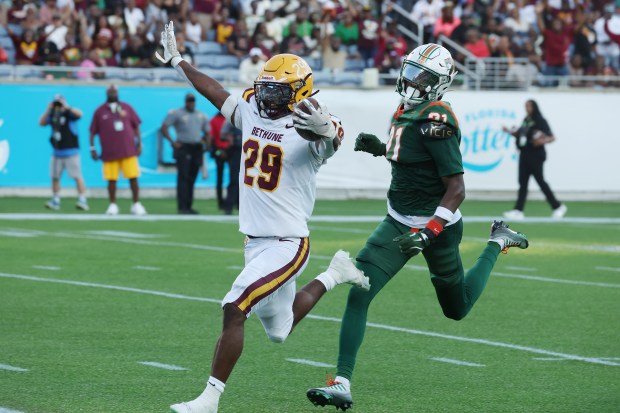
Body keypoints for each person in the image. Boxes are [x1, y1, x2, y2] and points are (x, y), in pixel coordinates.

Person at [155, 21, 370, 413]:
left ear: (299, 93)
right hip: (255, 242)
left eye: (278, 91)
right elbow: (215, 93)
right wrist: (178, 62)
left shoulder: (310, 124)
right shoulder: (253, 110)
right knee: (279, 331)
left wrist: (326, 130)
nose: (268, 97)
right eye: (266, 88)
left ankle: (209, 400)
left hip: (287, 243)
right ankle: (335, 274)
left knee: (234, 306)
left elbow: (330, 137)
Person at [306, 44, 530, 411]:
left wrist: (428, 233)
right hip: (397, 221)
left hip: (437, 225)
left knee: (456, 308)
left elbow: (456, 188)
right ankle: (342, 382)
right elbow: (413, 157)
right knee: (359, 292)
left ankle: (497, 242)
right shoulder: (407, 108)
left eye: (423, 76)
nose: (413, 81)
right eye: (411, 71)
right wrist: (383, 149)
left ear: (439, 84)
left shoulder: (437, 120)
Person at [502, 100, 567, 220]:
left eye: (529, 106)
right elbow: (522, 135)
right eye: (526, 106)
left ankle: (558, 206)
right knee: (523, 183)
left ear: (534, 107)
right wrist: (509, 132)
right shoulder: (526, 120)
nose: (527, 108)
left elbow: (551, 137)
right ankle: (518, 210)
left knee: (540, 181)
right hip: (524, 154)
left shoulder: (540, 121)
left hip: (536, 155)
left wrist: (542, 140)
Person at [89, 85, 147, 216]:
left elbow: (136, 126)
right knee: (111, 179)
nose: (112, 94)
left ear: (118, 93)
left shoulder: (127, 107)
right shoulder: (100, 111)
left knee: (133, 177)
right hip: (110, 151)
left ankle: (136, 204)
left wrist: (139, 144)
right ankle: (113, 204)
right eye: (110, 92)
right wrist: (92, 148)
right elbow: (92, 131)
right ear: (106, 93)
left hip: (128, 150)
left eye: (114, 92)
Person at [160, 92, 210, 214]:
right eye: (189, 101)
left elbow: (207, 131)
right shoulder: (177, 113)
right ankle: (182, 206)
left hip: (196, 148)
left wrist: (208, 145)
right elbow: (164, 127)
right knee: (183, 177)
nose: (191, 103)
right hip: (183, 147)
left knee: (192, 177)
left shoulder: (200, 115)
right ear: (185, 101)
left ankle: (188, 205)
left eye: (192, 101)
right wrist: (172, 142)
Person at [38, 94, 89, 211]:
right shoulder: (52, 115)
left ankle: (82, 199)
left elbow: (80, 114)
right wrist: (48, 109)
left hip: (71, 152)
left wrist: (66, 107)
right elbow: (41, 123)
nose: (58, 106)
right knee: (54, 177)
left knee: (77, 176)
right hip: (57, 152)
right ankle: (55, 200)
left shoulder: (69, 114)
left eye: (59, 103)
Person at [209, 112, 229, 210]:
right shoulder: (215, 120)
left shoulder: (227, 119)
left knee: (233, 178)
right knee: (221, 178)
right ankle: (221, 202)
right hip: (221, 151)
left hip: (230, 150)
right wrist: (218, 151)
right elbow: (212, 138)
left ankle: (229, 201)